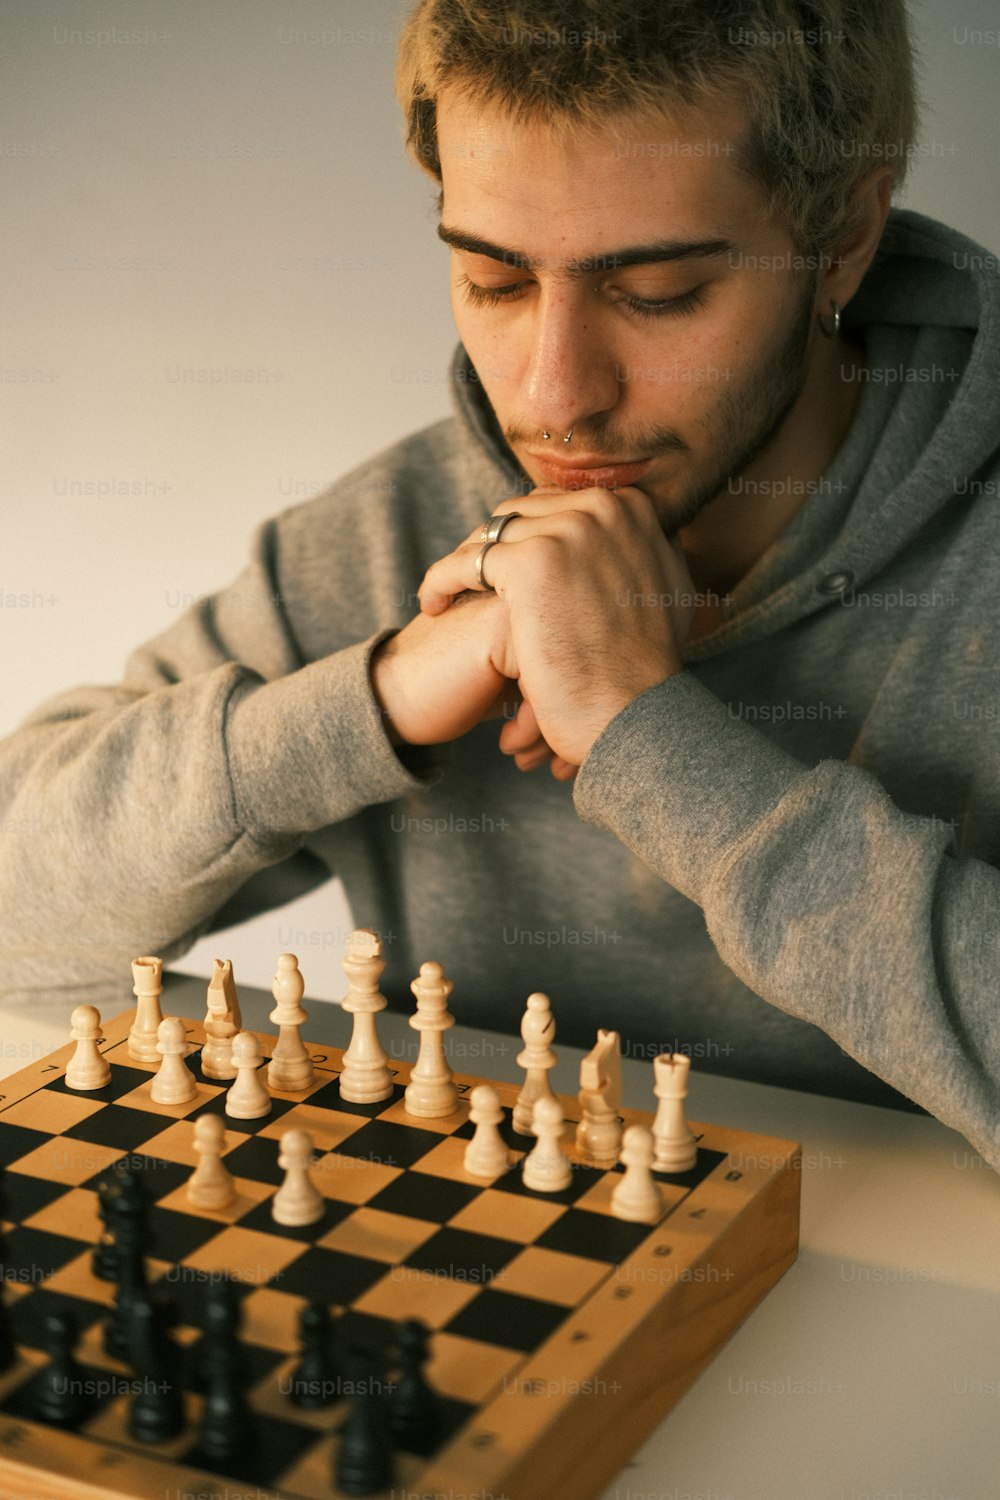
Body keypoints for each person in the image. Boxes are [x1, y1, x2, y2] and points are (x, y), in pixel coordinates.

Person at [2, 1, 999, 1168]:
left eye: (660, 291)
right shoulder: (391, 533)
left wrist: (649, 738)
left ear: (842, 237)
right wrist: (367, 701)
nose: (556, 395)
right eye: (493, 280)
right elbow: (20, 920)